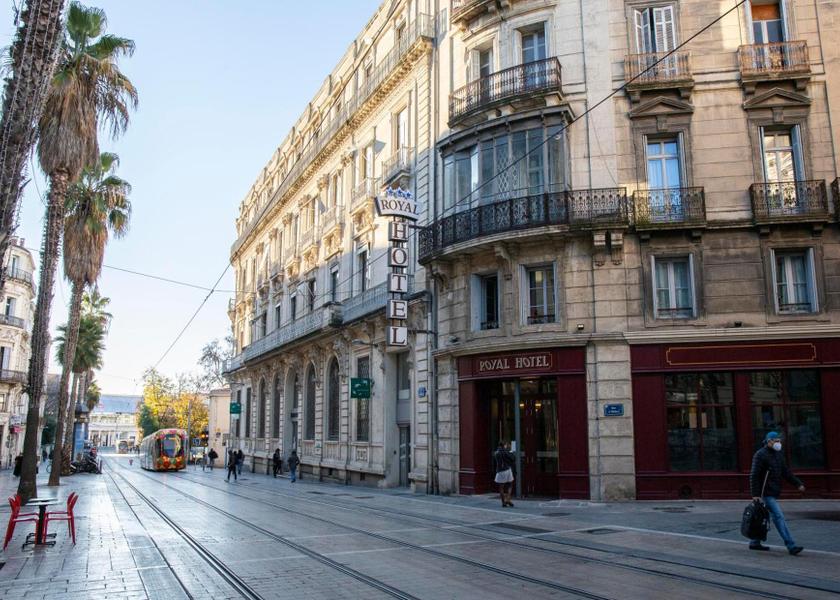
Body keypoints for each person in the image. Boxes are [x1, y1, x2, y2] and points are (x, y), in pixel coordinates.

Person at [749, 432, 805, 555]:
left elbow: (786, 472)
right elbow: (754, 476)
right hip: (765, 492)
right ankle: (791, 545)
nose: (778, 443)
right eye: (775, 441)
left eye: (779, 440)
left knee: (763, 517)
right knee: (778, 516)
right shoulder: (760, 455)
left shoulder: (778, 455)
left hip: (773, 491)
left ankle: (755, 542)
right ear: (768, 441)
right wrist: (756, 495)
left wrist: (798, 484)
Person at [493, 441, 516, 507]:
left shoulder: (496, 452)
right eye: (505, 445)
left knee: (501, 487)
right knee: (510, 484)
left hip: (500, 471)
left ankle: (503, 502)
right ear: (504, 445)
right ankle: (508, 499)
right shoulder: (505, 451)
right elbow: (512, 458)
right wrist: (510, 453)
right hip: (507, 469)